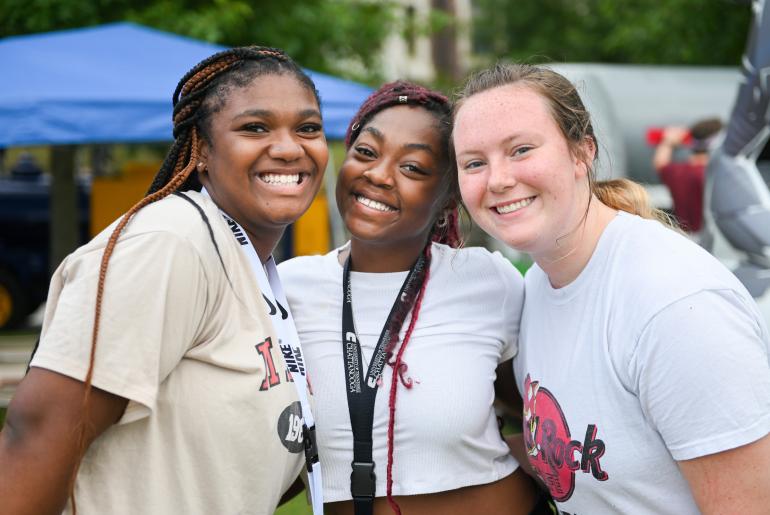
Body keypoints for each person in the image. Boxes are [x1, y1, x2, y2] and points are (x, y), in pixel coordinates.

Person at [0, 47, 328, 515]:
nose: (289, 147)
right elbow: (36, 433)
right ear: (202, 152)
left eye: (308, 128)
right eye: (254, 127)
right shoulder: (171, 241)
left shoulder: (255, 270)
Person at [452, 63, 770, 514]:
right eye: (474, 163)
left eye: (521, 149)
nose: (498, 179)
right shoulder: (540, 284)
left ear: (582, 152)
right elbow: (591, 462)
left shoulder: (675, 307)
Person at [278, 81, 546, 515]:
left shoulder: (486, 281)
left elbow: (547, 409)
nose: (379, 175)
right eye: (366, 153)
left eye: (414, 167)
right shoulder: (286, 290)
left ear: (447, 201)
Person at [652, 118, 723, 234]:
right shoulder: (714, 175)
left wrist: (668, 141)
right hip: (712, 239)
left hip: (686, 237)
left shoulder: (676, 172)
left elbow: (660, 163)